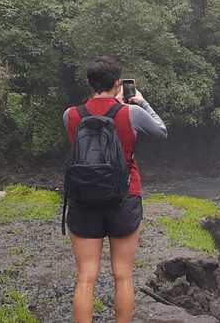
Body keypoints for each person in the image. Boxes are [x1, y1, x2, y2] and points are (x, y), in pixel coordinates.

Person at [62, 57, 167, 323]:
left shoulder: (71, 115)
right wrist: (140, 102)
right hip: (124, 196)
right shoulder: (130, 113)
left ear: (89, 82)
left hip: (83, 198)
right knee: (123, 275)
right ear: (118, 83)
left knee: (86, 276)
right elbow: (161, 131)